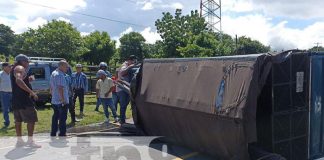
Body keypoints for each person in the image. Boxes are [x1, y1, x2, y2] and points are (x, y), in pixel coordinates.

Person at [11, 54, 40, 148]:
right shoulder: (19, 68)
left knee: (18, 121)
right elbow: (18, 80)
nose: (28, 63)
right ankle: (30, 142)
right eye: (27, 61)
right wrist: (31, 92)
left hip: (16, 100)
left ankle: (19, 141)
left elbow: (19, 79)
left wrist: (28, 79)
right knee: (31, 120)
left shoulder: (14, 68)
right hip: (24, 100)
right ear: (22, 61)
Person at [50, 60, 70, 137]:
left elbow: (51, 87)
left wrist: (52, 95)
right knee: (62, 118)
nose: (67, 68)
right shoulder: (60, 75)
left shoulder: (53, 73)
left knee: (55, 117)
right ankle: (62, 133)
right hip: (61, 101)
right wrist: (63, 100)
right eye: (66, 66)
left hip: (55, 100)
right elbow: (60, 88)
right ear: (61, 66)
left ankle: (53, 132)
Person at [117, 55, 137, 124]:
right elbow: (122, 73)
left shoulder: (130, 65)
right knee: (123, 105)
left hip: (128, 88)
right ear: (129, 60)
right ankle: (122, 120)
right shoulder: (124, 65)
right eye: (132, 61)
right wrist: (130, 67)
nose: (133, 63)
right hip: (122, 88)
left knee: (126, 104)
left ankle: (123, 118)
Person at [0, 62, 12, 128]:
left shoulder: (12, 74)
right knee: (5, 109)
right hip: (4, 93)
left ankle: (17, 121)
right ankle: (7, 122)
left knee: (16, 107)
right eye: (9, 66)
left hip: (13, 93)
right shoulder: (0, 74)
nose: (10, 67)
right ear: (4, 67)